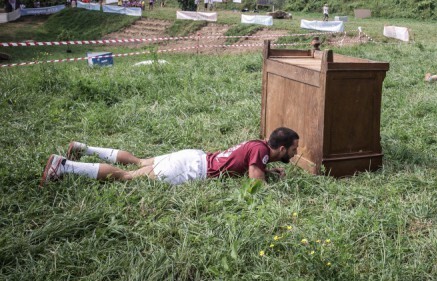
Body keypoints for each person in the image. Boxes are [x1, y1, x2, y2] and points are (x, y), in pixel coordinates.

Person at [40, 127, 299, 186]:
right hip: (189, 170)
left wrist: (267, 171)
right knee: (128, 176)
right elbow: (255, 185)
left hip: (191, 157)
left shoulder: (258, 145)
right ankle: (64, 166)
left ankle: (81, 147)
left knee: (140, 161)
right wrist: (272, 184)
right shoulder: (262, 152)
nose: (296, 153)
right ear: (283, 148)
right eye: (294, 149)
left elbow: (252, 168)